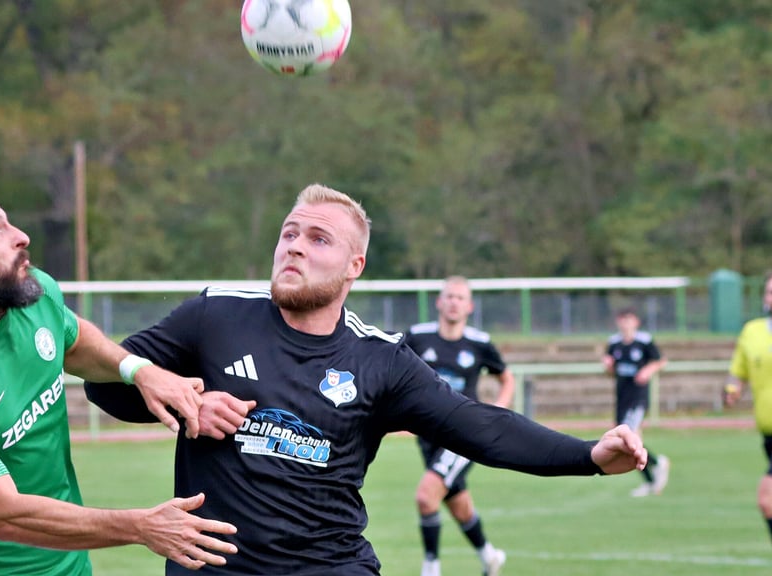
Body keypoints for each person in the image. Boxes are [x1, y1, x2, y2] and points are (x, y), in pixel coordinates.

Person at [85, 183, 648, 576]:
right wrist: (188, 400)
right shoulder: (214, 315)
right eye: (289, 233)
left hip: (331, 566)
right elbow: (105, 386)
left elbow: (480, 426)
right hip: (212, 568)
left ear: (354, 266)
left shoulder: (380, 360)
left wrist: (589, 455)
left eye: (319, 239)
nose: (296, 246)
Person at [0, 168, 238, 576]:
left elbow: (73, 340)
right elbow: (6, 515)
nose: (22, 236)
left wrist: (140, 371)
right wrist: (141, 526)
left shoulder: (32, 295)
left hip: (72, 567)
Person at [404, 276, 515, 576]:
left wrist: (496, 412)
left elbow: (506, 378)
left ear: (469, 306)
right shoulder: (417, 336)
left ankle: (431, 568)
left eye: (460, 298)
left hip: (464, 435)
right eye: (449, 296)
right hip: (428, 435)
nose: (454, 302)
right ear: (439, 302)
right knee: (458, 504)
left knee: (426, 496)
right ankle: (489, 556)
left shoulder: (479, 343)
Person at [602, 307, 670, 497]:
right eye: (622, 319)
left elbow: (660, 360)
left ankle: (653, 470)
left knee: (630, 437)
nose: (626, 323)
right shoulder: (614, 343)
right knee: (627, 440)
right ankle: (654, 468)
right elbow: (611, 372)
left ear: (636, 322)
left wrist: (648, 370)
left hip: (638, 398)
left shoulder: (644, 341)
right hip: (621, 397)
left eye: (629, 319)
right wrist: (607, 367)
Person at [725, 271, 772, 545]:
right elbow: (737, 373)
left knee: (767, 499)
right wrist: (731, 390)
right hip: (767, 436)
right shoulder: (752, 331)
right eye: (769, 292)